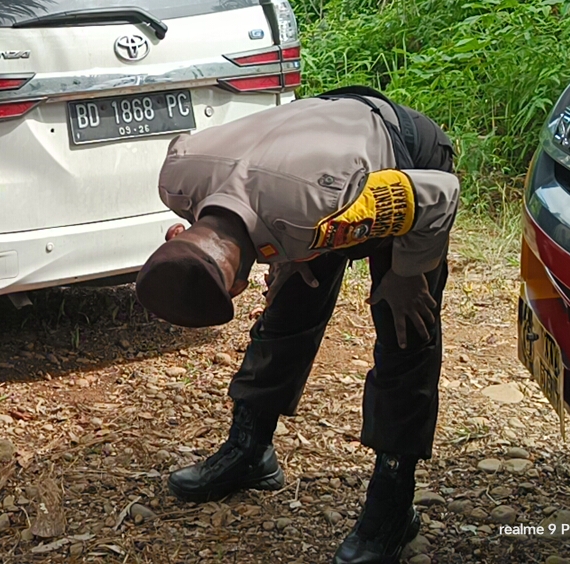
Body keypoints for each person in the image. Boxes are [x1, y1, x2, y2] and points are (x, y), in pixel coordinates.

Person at [136, 87, 458, 564]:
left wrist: (407, 273)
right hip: (311, 170)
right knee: (288, 303)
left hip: (402, 160)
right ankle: (249, 452)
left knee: (407, 325)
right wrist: (282, 250)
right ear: (180, 229)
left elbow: (440, 195)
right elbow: (263, 216)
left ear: (241, 283)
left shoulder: (327, 209)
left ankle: (393, 505)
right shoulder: (178, 175)